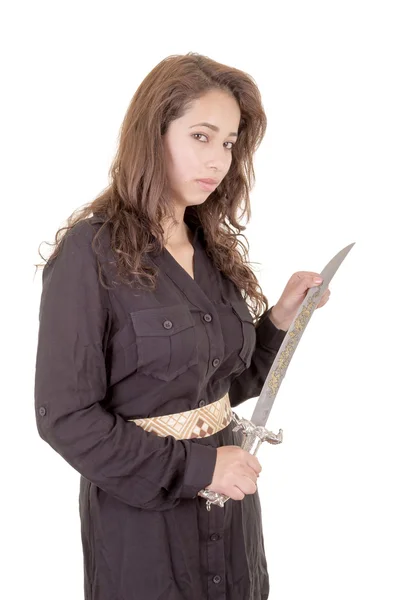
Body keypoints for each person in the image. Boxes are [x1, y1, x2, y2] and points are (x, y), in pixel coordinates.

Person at [34, 52, 330, 600]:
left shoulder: (210, 250)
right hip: (140, 526)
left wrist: (279, 322)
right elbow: (66, 418)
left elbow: (219, 388)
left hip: (233, 521)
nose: (218, 158)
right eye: (201, 135)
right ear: (153, 134)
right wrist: (201, 469)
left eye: (229, 142)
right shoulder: (88, 255)